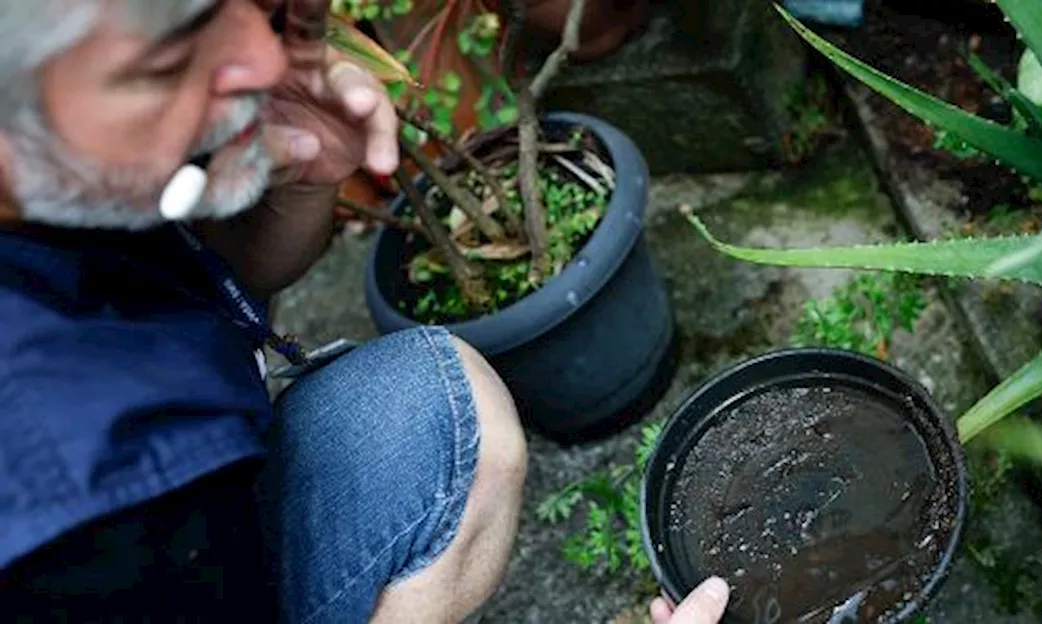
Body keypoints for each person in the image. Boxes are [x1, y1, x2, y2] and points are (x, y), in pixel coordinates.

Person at [0, 1, 729, 622]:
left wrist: (303, 178)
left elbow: (213, 284)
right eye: (168, 62)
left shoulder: (61, 169)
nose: (260, 57)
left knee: (438, 405)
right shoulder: (87, 507)